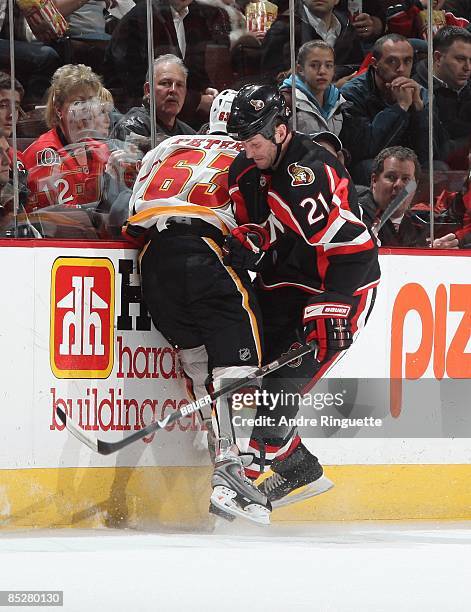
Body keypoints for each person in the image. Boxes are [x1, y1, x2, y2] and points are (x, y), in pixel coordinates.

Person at [224, 84, 380, 507]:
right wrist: (253, 240)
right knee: (252, 376)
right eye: (242, 142)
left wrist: (339, 303)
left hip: (340, 284)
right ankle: (300, 470)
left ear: (279, 131)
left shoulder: (307, 173)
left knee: (281, 387)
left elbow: (356, 248)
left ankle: (244, 490)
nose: (247, 151)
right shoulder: (245, 170)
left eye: (254, 142)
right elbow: (273, 227)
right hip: (282, 287)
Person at [124, 90, 272, 524]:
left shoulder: (169, 145)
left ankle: (219, 450)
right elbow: (261, 221)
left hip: (153, 261)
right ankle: (232, 472)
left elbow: (133, 205)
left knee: (197, 364)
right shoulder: (248, 154)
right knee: (237, 368)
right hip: (207, 253)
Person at [23, 64, 137, 217]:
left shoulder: (101, 149)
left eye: (91, 100)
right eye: (79, 102)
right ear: (58, 109)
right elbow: (63, 218)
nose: (89, 109)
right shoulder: (43, 153)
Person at [105, 0, 227, 123]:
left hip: (178, 115)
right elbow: (135, 86)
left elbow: (194, 68)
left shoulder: (197, 16)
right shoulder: (141, 18)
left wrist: (205, 89)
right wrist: (197, 100)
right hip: (139, 118)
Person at [340, 33, 430, 184]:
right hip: (368, 166)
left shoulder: (419, 92)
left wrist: (419, 110)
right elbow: (367, 148)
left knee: (438, 167)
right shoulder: (351, 93)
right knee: (371, 168)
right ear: (375, 63)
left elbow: (429, 154)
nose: (401, 69)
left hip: (407, 163)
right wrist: (400, 108)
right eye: (392, 61)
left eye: (407, 61)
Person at [260, 0, 384, 84]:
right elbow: (272, 81)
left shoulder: (347, 28)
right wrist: (333, 88)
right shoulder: (284, 28)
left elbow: (357, 69)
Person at [113, 54, 196, 155]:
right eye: (165, 83)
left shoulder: (190, 135)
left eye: (179, 85)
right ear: (148, 90)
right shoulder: (132, 127)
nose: (173, 90)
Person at [414, 26, 471, 171]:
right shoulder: (417, 91)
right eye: (460, 59)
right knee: (439, 169)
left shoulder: (466, 87)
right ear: (438, 58)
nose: (468, 67)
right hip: (428, 169)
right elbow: (432, 152)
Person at [357, 146, 429, 247]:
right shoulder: (355, 217)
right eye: (391, 177)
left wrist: (434, 252)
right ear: (374, 180)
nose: (398, 185)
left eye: (406, 179)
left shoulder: (419, 227)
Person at [279, 40, 348, 137]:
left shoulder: (338, 101)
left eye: (328, 65)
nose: (322, 71)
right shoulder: (286, 101)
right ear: (300, 69)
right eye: (314, 65)